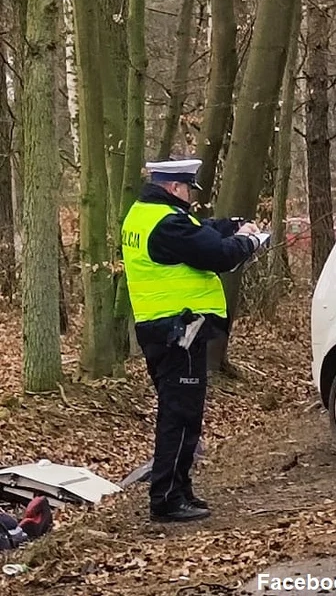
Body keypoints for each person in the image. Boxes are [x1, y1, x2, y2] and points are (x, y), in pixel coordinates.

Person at [121, 158, 266, 523]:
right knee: (181, 416)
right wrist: (249, 241)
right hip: (178, 331)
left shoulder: (147, 215)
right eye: (188, 189)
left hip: (162, 329)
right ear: (174, 187)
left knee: (181, 413)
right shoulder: (168, 223)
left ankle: (178, 489)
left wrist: (230, 225)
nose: (191, 196)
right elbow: (216, 254)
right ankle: (167, 498)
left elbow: (201, 230)